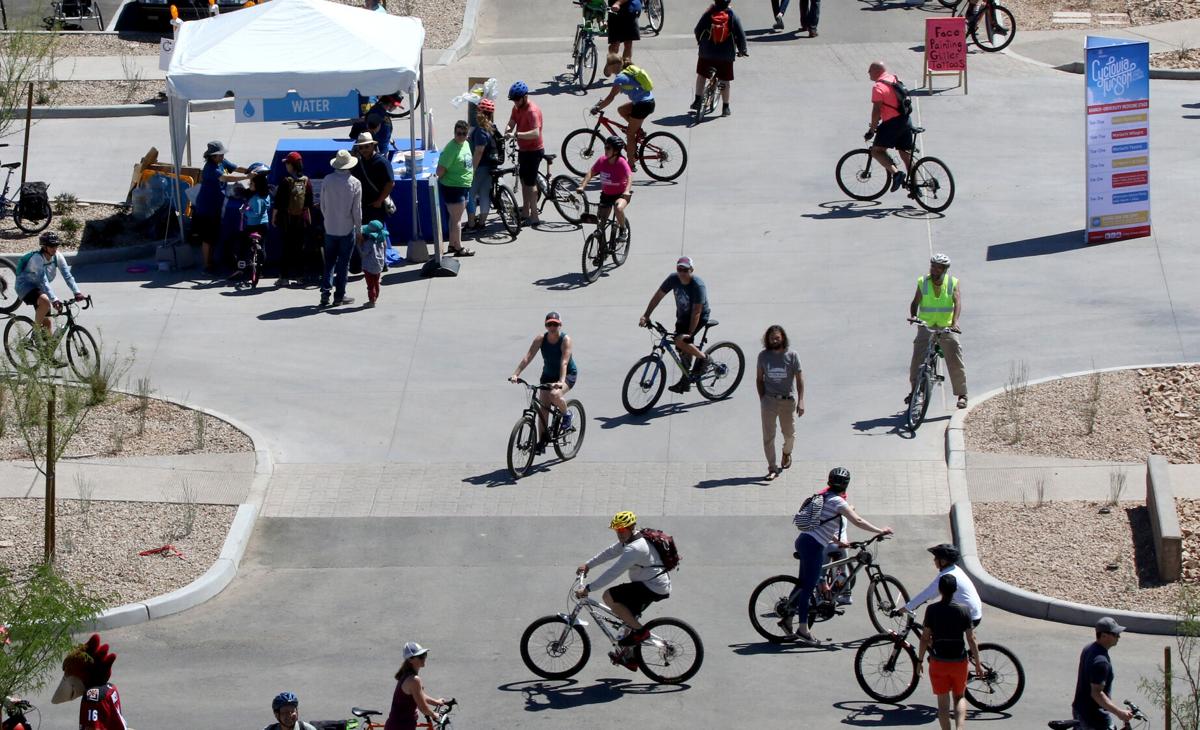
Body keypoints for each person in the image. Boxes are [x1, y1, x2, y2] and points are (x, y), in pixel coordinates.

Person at [783, 468, 892, 643]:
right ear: (846, 485)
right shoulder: (838, 502)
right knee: (808, 587)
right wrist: (880, 531)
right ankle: (803, 629)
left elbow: (822, 524)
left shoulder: (825, 497)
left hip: (805, 540)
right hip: (813, 545)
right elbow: (857, 520)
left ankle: (787, 617)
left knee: (803, 582)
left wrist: (837, 540)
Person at [575, 511, 670, 671]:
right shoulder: (631, 539)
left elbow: (613, 572)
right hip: (650, 583)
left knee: (609, 596)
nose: (619, 533)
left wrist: (588, 588)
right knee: (626, 618)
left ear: (631, 527)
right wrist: (588, 565)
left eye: (622, 530)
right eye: (617, 530)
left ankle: (641, 632)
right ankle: (630, 658)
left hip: (652, 586)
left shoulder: (635, 548)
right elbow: (610, 552)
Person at [916, 574, 984, 730]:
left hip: (938, 661)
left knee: (943, 703)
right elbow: (971, 639)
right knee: (959, 696)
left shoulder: (932, 610)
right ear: (955, 590)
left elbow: (925, 638)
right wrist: (978, 665)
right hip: (958, 661)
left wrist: (919, 661)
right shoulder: (964, 610)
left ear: (940, 590)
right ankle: (960, 728)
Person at [509, 311, 578, 454]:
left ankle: (567, 415)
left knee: (555, 395)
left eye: (555, 324)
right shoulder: (541, 339)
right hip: (547, 376)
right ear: (546, 325)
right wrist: (516, 374)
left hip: (567, 375)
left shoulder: (566, 340)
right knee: (543, 410)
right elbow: (528, 357)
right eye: (549, 324)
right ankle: (542, 441)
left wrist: (560, 381)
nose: (552, 327)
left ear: (560, 325)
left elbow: (564, 362)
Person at [638, 256, 709, 394]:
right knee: (682, 349)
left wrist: (690, 335)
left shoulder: (698, 285)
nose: (682, 272)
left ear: (691, 270)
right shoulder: (673, 279)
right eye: (679, 269)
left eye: (685, 269)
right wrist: (646, 315)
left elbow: (697, 312)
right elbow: (658, 296)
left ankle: (704, 358)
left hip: (699, 318)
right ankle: (686, 380)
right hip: (682, 317)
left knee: (682, 341)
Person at [908, 252, 968, 409]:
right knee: (917, 359)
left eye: (938, 267)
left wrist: (954, 323)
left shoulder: (952, 283)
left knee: (955, 355)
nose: (934, 270)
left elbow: (958, 302)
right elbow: (915, 302)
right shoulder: (923, 282)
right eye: (932, 266)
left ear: (944, 270)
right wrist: (914, 316)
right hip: (926, 324)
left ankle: (962, 394)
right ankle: (914, 391)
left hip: (945, 325)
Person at [14, 231, 85, 342]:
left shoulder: (57, 256)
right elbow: (43, 281)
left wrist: (77, 292)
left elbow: (67, 275)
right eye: (51, 246)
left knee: (47, 323)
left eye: (56, 245)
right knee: (46, 302)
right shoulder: (37, 258)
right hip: (25, 286)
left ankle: (47, 355)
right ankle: (35, 333)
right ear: (44, 246)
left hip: (39, 288)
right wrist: (54, 299)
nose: (54, 248)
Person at [756, 324, 804, 481]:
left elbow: (799, 378)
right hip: (769, 400)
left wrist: (801, 400)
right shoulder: (763, 356)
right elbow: (759, 379)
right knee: (768, 437)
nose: (774, 340)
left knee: (789, 435)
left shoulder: (792, 355)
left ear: (782, 337)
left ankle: (786, 453)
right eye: (771, 338)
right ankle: (772, 467)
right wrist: (763, 399)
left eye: (777, 337)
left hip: (787, 401)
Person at [1071, 617, 1135, 729]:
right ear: (1104, 635)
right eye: (1115, 634)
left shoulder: (1089, 648)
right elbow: (1096, 693)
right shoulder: (1101, 661)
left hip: (1080, 710)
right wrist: (1119, 712)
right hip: (1094, 717)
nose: (1119, 637)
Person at [193, 140, 247, 273]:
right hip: (206, 207)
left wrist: (251, 170)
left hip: (217, 206)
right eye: (220, 155)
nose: (222, 157)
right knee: (208, 238)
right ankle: (207, 265)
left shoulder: (221, 162)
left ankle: (213, 261)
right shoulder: (211, 169)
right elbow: (226, 178)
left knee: (214, 235)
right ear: (212, 156)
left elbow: (235, 168)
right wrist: (247, 177)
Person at [591, 54, 655, 166]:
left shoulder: (620, 78)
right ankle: (637, 130)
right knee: (621, 110)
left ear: (612, 66)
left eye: (607, 66)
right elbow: (610, 97)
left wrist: (598, 108)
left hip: (642, 105)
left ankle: (631, 164)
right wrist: (601, 103)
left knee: (630, 134)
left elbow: (611, 97)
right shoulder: (627, 71)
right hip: (647, 101)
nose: (606, 69)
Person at [318, 150, 362, 308]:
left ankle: (325, 292)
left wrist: (328, 219)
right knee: (344, 263)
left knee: (329, 262)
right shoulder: (355, 183)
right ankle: (339, 296)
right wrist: (358, 230)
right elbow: (356, 210)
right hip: (346, 228)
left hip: (330, 227)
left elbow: (322, 205)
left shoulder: (327, 180)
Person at [902, 543, 983, 626]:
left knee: (931, 615)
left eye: (936, 558)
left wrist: (903, 609)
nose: (934, 560)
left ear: (943, 561)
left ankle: (929, 639)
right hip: (974, 615)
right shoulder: (956, 569)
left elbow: (926, 595)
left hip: (967, 618)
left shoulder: (946, 577)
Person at [692, 0, 748, 117]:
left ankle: (697, 99)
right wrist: (743, 50)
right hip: (725, 55)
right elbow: (741, 35)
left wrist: (701, 42)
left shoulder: (708, 14)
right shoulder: (732, 16)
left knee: (702, 75)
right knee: (724, 80)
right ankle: (725, 107)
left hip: (706, 52)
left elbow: (697, 29)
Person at [866, 61, 915, 194]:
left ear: (876, 71)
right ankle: (915, 186)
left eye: (869, 70)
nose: (868, 73)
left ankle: (896, 174)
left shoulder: (878, 87)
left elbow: (876, 111)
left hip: (892, 124)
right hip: (906, 120)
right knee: (905, 154)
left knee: (876, 151)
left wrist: (872, 130)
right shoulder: (894, 78)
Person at [271, 151, 316, 287]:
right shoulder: (306, 181)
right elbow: (309, 203)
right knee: (300, 248)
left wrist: (274, 218)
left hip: (287, 220)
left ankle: (284, 277)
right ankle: (300, 276)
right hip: (301, 220)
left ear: (292, 165)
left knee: (286, 248)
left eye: (287, 163)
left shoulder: (286, 181)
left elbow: (278, 203)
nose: (286, 166)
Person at [504, 82, 544, 225]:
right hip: (523, 150)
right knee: (523, 180)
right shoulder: (517, 107)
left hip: (534, 150)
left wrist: (516, 135)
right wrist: (508, 129)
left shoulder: (532, 111)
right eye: (513, 99)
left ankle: (535, 216)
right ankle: (525, 211)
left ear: (525, 97)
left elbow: (535, 133)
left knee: (530, 183)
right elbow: (512, 121)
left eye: (517, 99)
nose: (515, 102)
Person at [383, 642, 448, 730]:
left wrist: (435, 702)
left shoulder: (407, 675)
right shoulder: (414, 680)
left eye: (424, 655)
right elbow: (423, 708)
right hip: (401, 726)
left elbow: (419, 694)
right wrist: (433, 714)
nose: (424, 658)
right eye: (420, 656)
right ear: (410, 660)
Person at [575, 135, 632, 235]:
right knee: (601, 224)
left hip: (621, 195)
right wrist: (582, 186)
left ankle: (623, 229)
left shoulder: (621, 162)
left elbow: (629, 177)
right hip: (606, 195)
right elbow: (590, 173)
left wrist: (627, 191)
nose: (605, 150)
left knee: (618, 208)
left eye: (608, 148)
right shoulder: (602, 160)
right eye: (605, 147)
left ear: (616, 151)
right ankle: (602, 246)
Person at [436, 119, 475, 257]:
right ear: (454, 133)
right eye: (459, 133)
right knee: (457, 220)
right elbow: (440, 170)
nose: (461, 136)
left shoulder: (465, 144)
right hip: (453, 188)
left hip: (463, 187)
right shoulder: (451, 149)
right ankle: (459, 247)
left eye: (464, 133)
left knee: (454, 218)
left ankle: (452, 244)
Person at [466, 98, 501, 232]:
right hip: (491, 166)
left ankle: (471, 225)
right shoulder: (492, 127)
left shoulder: (481, 131)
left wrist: (472, 169)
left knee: (471, 195)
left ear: (480, 112)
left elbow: (479, 151)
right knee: (485, 194)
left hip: (480, 168)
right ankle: (482, 223)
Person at [351, 132, 395, 229]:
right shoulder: (358, 162)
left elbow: (390, 183)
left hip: (376, 207)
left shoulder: (382, 162)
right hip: (362, 206)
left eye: (366, 146)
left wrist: (379, 201)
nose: (364, 150)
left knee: (376, 234)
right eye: (361, 147)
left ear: (373, 145)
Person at [236, 162, 271, 282]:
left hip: (253, 225)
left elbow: (256, 213)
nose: (249, 184)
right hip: (264, 225)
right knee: (263, 247)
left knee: (244, 245)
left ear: (256, 185)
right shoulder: (266, 195)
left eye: (251, 183)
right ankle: (261, 269)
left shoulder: (255, 198)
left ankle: (243, 266)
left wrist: (244, 211)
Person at [359, 219, 387, 308]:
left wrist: (359, 244)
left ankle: (372, 300)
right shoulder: (382, 242)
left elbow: (364, 253)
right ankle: (376, 296)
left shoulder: (369, 243)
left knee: (370, 285)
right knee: (376, 282)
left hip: (368, 267)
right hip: (379, 265)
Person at [606, 0, 640, 64]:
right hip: (614, 12)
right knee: (614, 45)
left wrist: (618, 3)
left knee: (628, 43)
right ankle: (611, 63)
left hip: (629, 10)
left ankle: (625, 68)